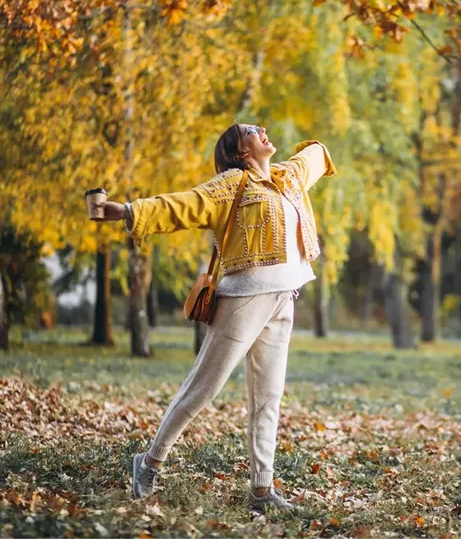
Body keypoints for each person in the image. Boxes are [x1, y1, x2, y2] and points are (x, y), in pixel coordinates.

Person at [98, 123, 336, 511]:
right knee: (203, 387)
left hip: (283, 300)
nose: (261, 130)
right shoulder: (231, 185)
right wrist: (126, 211)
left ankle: (262, 490)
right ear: (240, 152)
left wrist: (318, 147)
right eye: (250, 131)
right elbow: (181, 205)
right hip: (242, 301)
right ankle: (149, 462)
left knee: (268, 396)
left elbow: (314, 155)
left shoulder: (287, 178)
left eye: (260, 127)